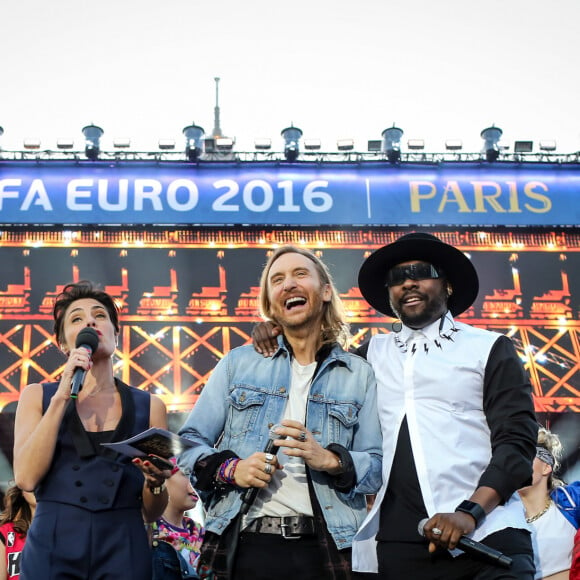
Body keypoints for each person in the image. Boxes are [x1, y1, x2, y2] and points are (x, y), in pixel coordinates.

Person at [178, 245, 382, 580]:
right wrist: (233, 469)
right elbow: (186, 443)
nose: (288, 284)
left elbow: (377, 467)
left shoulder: (359, 374)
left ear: (327, 291)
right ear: (272, 304)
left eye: (300, 274)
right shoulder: (237, 364)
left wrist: (331, 460)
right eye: (277, 280)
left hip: (330, 547)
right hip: (245, 544)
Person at [349, 232, 539, 578]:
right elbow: (308, 370)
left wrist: (470, 513)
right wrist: (273, 333)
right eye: (396, 277)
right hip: (400, 549)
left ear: (448, 285)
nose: (408, 283)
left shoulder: (489, 348)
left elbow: (517, 442)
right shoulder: (369, 356)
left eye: (421, 271)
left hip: (488, 537)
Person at [13, 280, 172, 579]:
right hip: (52, 542)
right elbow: (25, 477)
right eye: (76, 318)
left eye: (100, 315)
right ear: (63, 343)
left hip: (124, 545)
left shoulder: (151, 405)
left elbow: (152, 512)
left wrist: (156, 483)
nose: (89, 320)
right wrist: (62, 396)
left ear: (116, 334)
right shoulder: (37, 396)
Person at [518, 426, 580, 579]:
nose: (516, 463)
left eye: (526, 455)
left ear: (546, 466)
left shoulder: (571, 501)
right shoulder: (496, 514)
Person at [150, 459, 205, 579]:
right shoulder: (147, 528)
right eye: (187, 474)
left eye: (198, 474)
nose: (196, 481)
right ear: (163, 477)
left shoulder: (201, 533)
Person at [0, 484, 36, 580]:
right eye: (34, 484)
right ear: (21, 491)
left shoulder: (70, 530)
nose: (37, 487)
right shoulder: (5, 532)